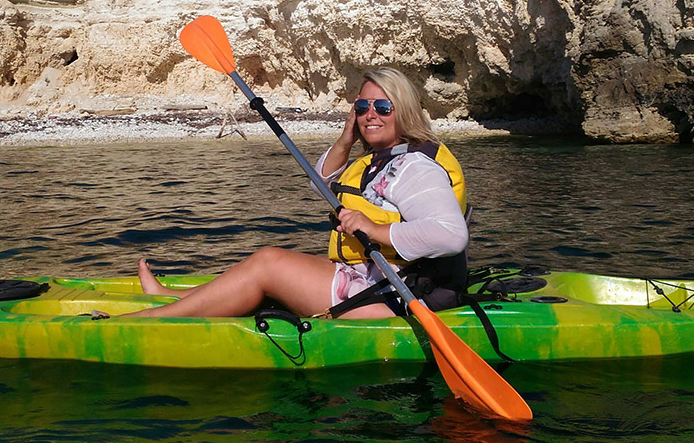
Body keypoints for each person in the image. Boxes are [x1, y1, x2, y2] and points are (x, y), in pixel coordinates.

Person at [125, 67, 469, 319]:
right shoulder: (379, 160)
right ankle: (172, 297)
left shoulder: (414, 167)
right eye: (362, 107)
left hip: (400, 298)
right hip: (374, 281)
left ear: (404, 111)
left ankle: (152, 320)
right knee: (280, 264)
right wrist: (348, 136)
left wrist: (371, 228)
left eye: (382, 108)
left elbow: (450, 236)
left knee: (269, 263)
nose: (370, 115)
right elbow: (321, 180)